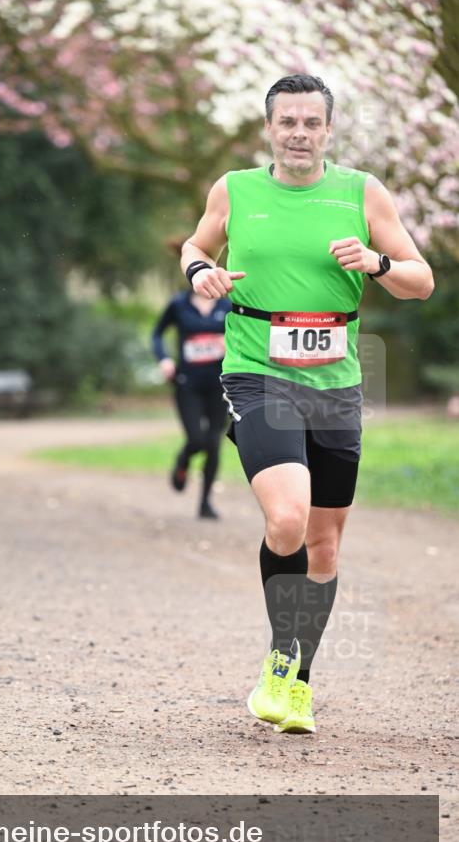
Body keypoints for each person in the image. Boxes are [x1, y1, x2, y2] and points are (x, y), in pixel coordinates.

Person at [181, 74, 433, 734]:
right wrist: (197, 273)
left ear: (327, 129)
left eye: (309, 122)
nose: (297, 133)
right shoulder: (234, 189)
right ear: (267, 128)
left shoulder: (360, 192)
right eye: (285, 121)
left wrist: (375, 262)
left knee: (322, 546)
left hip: (335, 387)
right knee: (288, 518)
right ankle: (279, 656)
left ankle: (296, 682)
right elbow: (195, 245)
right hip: (256, 372)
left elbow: (420, 281)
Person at [151, 244, 231, 519]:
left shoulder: (228, 304)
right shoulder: (179, 304)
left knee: (213, 442)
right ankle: (183, 459)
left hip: (221, 384)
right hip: (188, 383)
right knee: (196, 439)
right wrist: (164, 359)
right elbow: (157, 334)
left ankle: (205, 502)